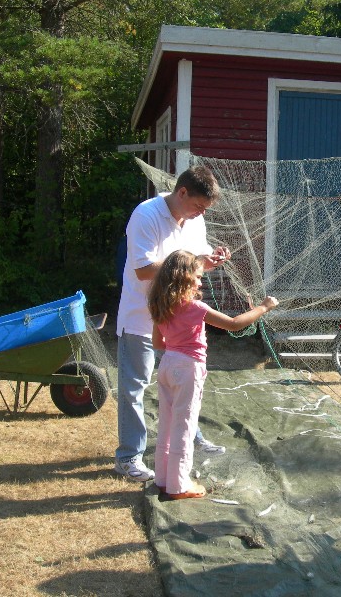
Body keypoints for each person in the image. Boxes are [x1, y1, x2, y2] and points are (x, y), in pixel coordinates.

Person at [115, 166, 231, 482]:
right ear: (182, 193)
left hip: (177, 320)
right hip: (141, 316)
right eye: (197, 206)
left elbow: (197, 262)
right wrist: (192, 263)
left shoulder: (195, 220)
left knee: (182, 381)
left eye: (204, 210)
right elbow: (142, 270)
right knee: (134, 386)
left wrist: (210, 260)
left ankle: (191, 438)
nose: (199, 214)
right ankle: (128, 457)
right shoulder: (146, 215)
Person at [148, 250, 279, 499]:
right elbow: (234, 324)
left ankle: (164, 479)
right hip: (188, 368)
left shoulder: (160, 304)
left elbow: (158, 341)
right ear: (183, 278)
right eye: (197, 277)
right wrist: (264, 307)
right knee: (184, 426)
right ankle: (179, 486)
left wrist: (176, 351)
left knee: (167, 423)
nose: (200, 281)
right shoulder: (195, 307)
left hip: (166, 365)